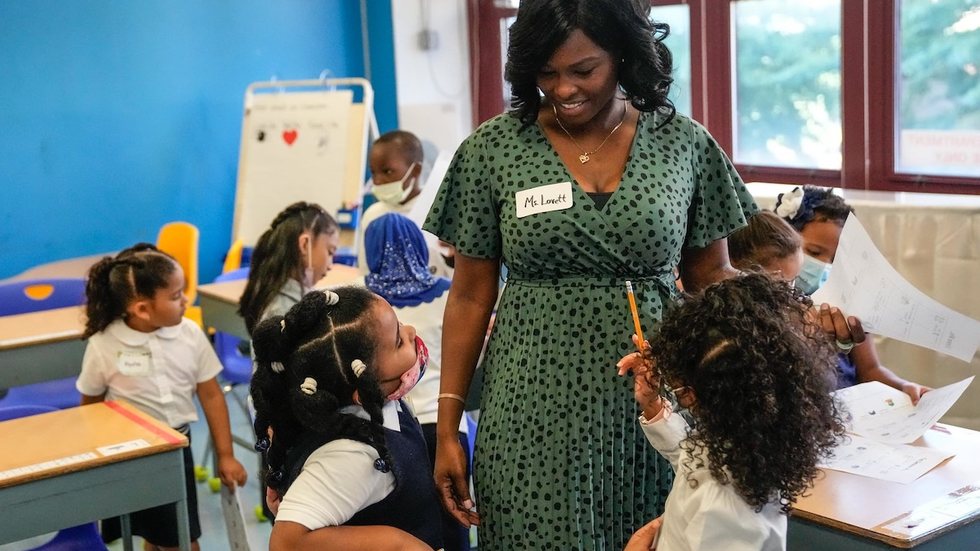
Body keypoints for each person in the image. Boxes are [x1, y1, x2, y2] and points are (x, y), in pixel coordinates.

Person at [421, 1, 758, 548]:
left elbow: (712, 279)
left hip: (652, 401)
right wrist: (448, 426)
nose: (563, 89)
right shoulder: (493, 149)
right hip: (530, 406)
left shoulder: (684, 143)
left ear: (624, 56)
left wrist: (786, 325)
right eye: (546, 73)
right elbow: (468, 297)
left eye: (584, 70)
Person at [617, 273, 846, 551]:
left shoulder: (723, 511)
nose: (678, 396)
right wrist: (654, 406)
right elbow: (693, 459)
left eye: (678, 390)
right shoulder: (743, 450)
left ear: (695, 397)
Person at [77, 243, 247, 551]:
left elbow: (210, 395)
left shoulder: (190, 334)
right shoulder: (104, 343)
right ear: (142, 308)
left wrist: (225, 454)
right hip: (130, 456)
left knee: (173, 536)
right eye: (175, 295)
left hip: (176, 450)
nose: (186, 300)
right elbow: (90, 406)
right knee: (173, 540)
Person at [250, 287, 444, 551]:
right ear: (361, 392)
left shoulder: (382, 403)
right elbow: (286, 543)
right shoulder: (352, 455)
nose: (411, 331)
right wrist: (396, 543)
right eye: (399, 341)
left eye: (399, 324)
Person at [362, 213, 470, 551]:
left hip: (392, 432)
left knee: (403, 531)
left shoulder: (364, 305)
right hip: (448, 428)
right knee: (454, 524)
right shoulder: (452, 295)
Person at [774, 186, 930, 402]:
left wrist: (904, 386)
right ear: (785, 244)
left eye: (837, 259)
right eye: (814, 252)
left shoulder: (848, 302)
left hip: (850, 414)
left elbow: (871, 369)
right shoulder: (771, 306)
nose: (824, 265)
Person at [238, 201, 340, 521]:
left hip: (279, 428)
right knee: (293, 522)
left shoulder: (283, 297)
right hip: (284, 432)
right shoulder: (285, 311)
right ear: (305, 245)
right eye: (331, 251)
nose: (332, 263)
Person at [359, 130, 451, 278]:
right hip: (385, 301)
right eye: (374, 172)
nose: (377, 181)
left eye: (387, 171)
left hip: (438, 298)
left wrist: (451, 259)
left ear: (415, 170)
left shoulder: (439, 212)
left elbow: (456, 276)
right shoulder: (372, 215)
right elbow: (366, 272)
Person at [239, 201, 340, 335]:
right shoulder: (282, 313)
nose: (330, 265)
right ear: (305, 245)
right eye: (330, 252)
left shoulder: (289, 298)